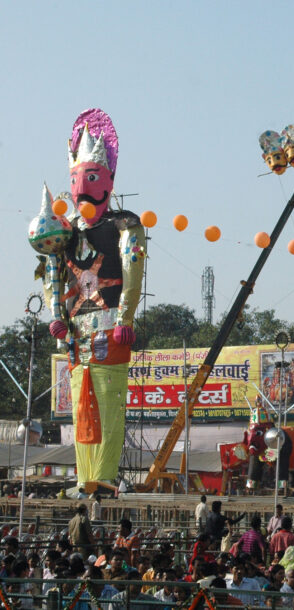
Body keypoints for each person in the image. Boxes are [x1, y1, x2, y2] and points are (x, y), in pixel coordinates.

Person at [36, 109, 146, 489]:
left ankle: (104, 477)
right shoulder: (62, 232)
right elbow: (52, 274)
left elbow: (133, 272)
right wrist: (55, 316)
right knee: (81, 405)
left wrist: (125, 319)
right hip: (75, 335)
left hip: (110, 327)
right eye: (76, 178)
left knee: (108, 401)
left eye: (91, 177)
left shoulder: (126, 225)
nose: (82, 186)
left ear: (108, 181)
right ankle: (86, 478)